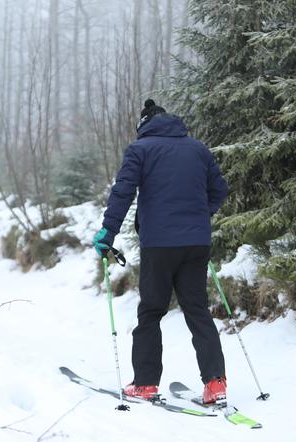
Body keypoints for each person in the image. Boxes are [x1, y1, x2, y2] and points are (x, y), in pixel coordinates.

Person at [93, 99, 229, 404]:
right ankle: (215, 383)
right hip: (197, 243)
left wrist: (107, 233)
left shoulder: (140, 150)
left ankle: (145, 383)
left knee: (152, 311)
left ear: (143, 125)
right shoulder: (198, 149)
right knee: (197, 310)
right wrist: (199, 215)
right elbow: (219, 190)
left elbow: (123, 192)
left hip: (159, 245)